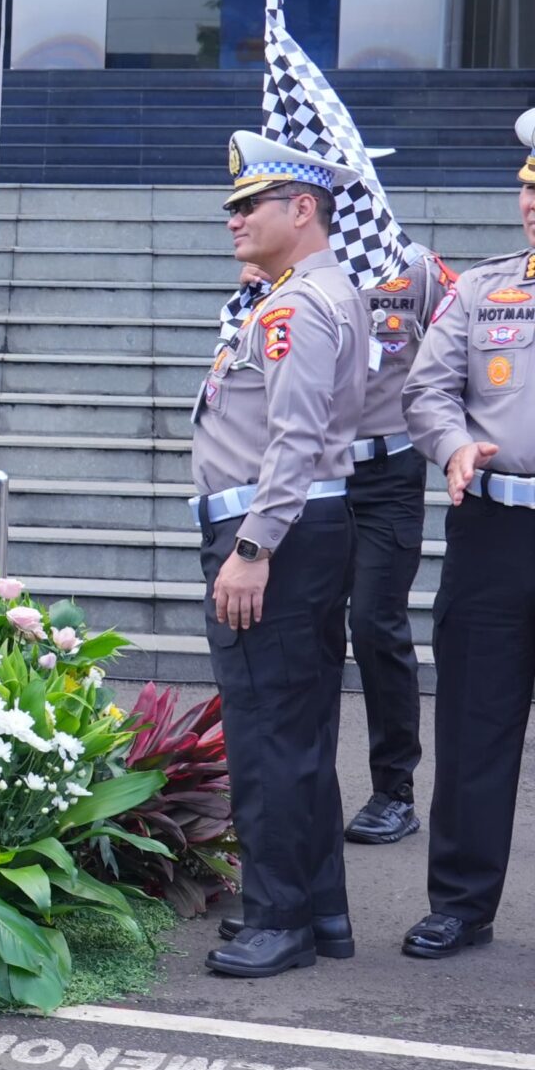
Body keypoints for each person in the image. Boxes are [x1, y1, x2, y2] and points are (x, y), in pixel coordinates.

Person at [194, 131, 366, 978]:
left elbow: (295, 438)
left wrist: (253, 546)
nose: (233, 219)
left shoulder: (298, 306)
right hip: (294, 529)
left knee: (268, 735)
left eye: (249, 204)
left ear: (302, 209)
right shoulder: (293, 295)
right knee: (295, 730)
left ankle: (281, 917)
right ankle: (317, 909)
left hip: (275, 534)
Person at [396, 109, 535, 959]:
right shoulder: (483, 291)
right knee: (476, 725)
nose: (531, 204)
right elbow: (426, 390)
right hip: (495, 530)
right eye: (528, 189)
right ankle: (460, 901)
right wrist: (452, 446)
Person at [327, 245, 444, 846]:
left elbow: (462, 351)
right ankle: (306, 789)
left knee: (375, 623)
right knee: (310, 625)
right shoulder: (293, 266)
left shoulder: (417, 268)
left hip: (389, 473)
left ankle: (395, 792)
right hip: (316, 472)